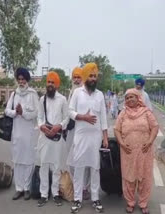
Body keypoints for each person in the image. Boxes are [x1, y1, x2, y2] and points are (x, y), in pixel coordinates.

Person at [67, 63, 109, 213]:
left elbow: (103, 117)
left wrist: (105, 137)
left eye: (94, 76)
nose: (92, 78)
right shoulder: (77, 93)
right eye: (90, 76)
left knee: (95, 168)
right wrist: (83, 117)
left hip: (95, 137)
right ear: (85, 77)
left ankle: (95, 198)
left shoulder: (100, 95)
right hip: (80, 136)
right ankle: (77, 199)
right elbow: (70, 111)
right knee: (79, 167)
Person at [114, 88, 158, 214]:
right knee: (129, 178)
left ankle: (143, 203)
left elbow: (155, 127)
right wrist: (121, 143)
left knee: (144, 177)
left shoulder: (146, 112)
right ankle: (130, 202)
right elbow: (117, 129)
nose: (129, 100)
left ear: (138, 98)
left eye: (131, 97)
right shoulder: (123, 113)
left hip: (144, 150)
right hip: (127, 151)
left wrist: (149, 141)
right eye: (127, 98)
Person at [5, 68, 39, 201]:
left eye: (23, 79)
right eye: (19, 79)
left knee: (28, 161)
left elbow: (36, 113)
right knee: (18, 161)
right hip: (17, 134)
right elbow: (7, 110)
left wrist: (23, 113)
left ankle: (26, 188)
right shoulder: (14, 94)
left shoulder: (32, 94)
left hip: (29, 134)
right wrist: (15, 112)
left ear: (27, 80)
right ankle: (18, 188)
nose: (21, 82)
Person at [37, 71, 69, 207]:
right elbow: (39, 117)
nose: (50, 84)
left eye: (52, 82)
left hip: (57, 137)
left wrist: (59, 126)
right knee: (43, 165)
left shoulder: (62, 99)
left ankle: (55, 193)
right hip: (44, 137)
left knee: (56, 166)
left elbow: (66, 117)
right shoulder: (42, 99)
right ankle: (44, 194)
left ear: (57, 85)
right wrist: (41, 126)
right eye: (48, 82)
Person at [66, 67, 91, 200]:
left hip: (84, 131)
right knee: (71, 161)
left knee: (85, 161)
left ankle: (84, 188)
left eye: (78, 77)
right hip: (71, 131)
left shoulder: (87, 93)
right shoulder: (71, 92)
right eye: (74, 77)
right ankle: (77, 186)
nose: (76, 80)